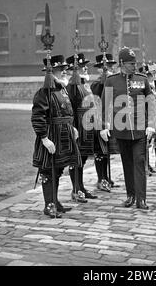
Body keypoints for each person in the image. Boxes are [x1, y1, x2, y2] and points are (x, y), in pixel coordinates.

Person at [100, 47, 156, 210]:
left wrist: (151, 124)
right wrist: (104, 126)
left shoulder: (142, 79)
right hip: (121, 129)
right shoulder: (111, 81)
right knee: (127, 163)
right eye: (131, 63)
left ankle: (141, 199)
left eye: (135, 63)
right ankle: (131, 195)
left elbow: (151, 103)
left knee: (139, 161)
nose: (134, 66)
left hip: (140, 130)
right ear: (122, 63)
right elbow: (105, 105)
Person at [31, 55, 80, 218]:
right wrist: (44, 138)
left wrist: (71, 126)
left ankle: (56, 201)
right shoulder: (44, 92)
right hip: (51, 136)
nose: (64, 72)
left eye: (65, 69)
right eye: (61, 70)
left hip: (64, 135)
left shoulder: (62, 89)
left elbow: (67, 111)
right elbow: (38, 116)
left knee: (57, 170)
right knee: (47, 171)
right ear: (51, 72)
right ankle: (49, 205)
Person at [65, 53, 98, 203]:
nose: (85, 68)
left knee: (82, 159)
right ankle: (75, 189)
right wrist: (72, 127)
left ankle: (81, 187)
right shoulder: (72, 86)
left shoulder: (84, 84)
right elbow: (70, 108)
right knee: (75, 159)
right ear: (73, 69)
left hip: (86, 126)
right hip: (78, 126)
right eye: (81, 66)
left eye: (85, 66)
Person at [90, 53, 120, 192]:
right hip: (99, 120)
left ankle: (106, 177)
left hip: (111, 119)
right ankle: (100, 178)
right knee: (100, 151)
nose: (106, 69)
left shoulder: (113, 81)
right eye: (103, 68)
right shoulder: (96, 84)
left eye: (108, 67)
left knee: (106, 151)